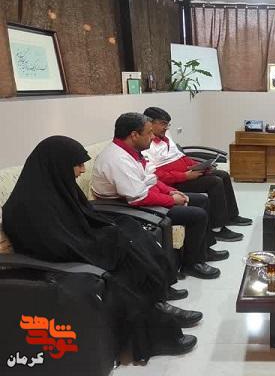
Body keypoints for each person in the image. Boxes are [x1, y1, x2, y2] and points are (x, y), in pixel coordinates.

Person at [2, 136, 204, 361]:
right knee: (122, 260)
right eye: (77, 165)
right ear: (58, 165)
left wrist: (108, 234)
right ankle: (156, 331)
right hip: (55, 261)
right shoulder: (25, 207)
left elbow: (83, 217)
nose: (82, 170)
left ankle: (158, 299)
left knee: (128, 230)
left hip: (74, 244)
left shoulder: (56, 187)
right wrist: (101, 244)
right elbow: (52, 244)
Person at [92, 112, 227, 279]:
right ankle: (192, 264)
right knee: (196, 214)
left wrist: (170, 191)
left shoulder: (132, 151)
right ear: (134, 135)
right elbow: (138, 198)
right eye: (149, 133)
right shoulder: (117, 159)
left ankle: (203, 250)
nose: (152, 137)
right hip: (124, 208)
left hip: (142, 196)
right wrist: (171, 200)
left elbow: (151, 179)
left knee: (202, 200)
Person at [142, 107, 251, 242]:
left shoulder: (166, 136)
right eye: (163, 124)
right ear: (150, 123)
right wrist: (185, 176)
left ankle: (231, 216)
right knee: (215, 182)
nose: (166, 128)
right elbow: (157, 175)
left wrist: (199, 165)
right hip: (174, 182)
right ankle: (217, 228)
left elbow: (181, 157)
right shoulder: (146, 145)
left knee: (223, 175)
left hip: (187, 173)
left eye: (168, 124)